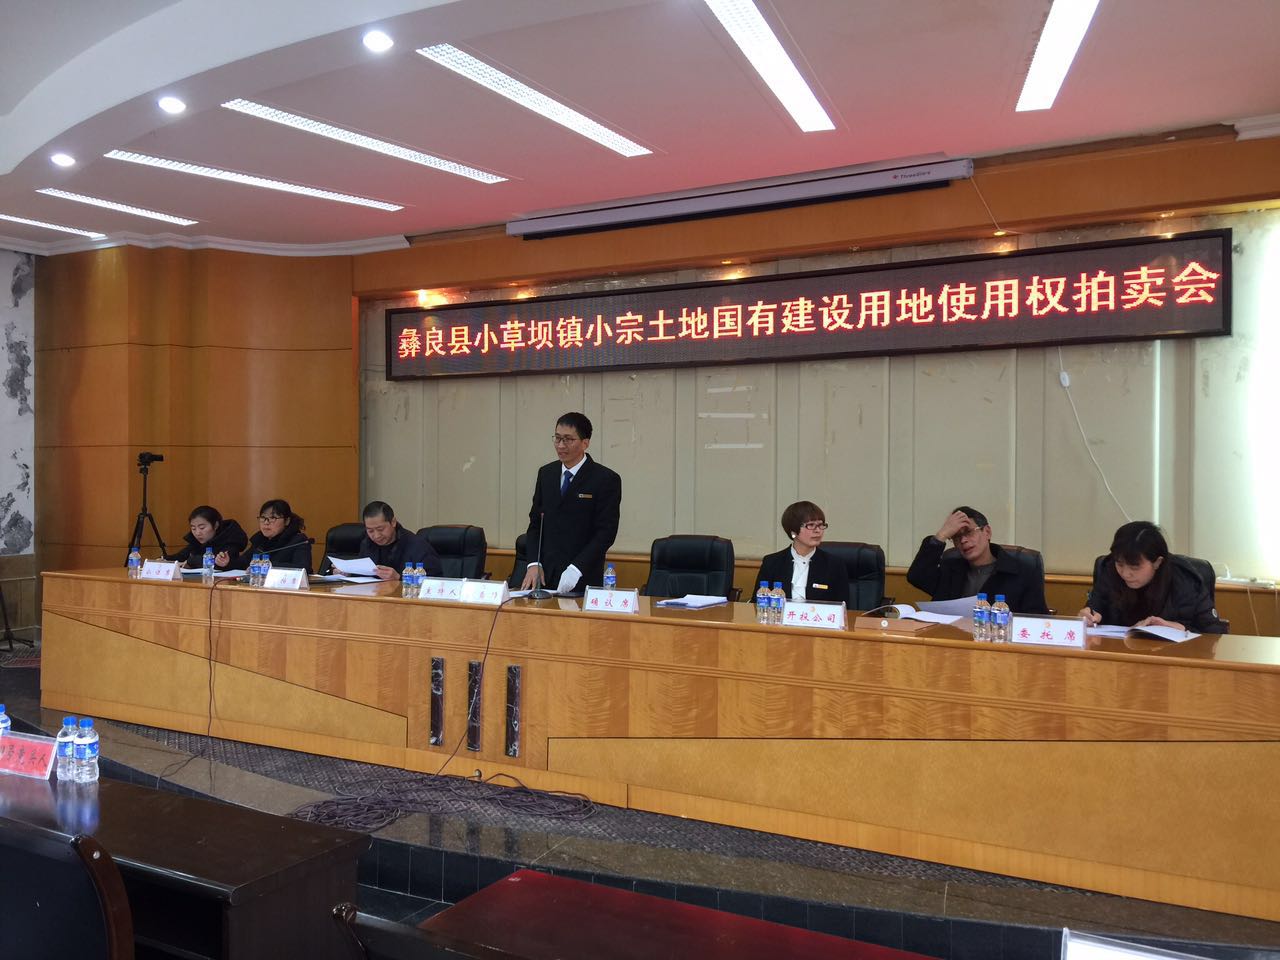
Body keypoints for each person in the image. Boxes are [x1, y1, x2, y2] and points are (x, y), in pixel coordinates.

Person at [519, 412, 622, 594]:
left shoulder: (605, 479)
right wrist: (534, 563)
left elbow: (606, 532)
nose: (561, 445)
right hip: (545, 577)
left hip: (582, 576)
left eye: (568, 440)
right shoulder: (546, 474)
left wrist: (576, 569)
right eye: (557, 438)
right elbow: (535, 524)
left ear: (585, 443)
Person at [1079, 521, 1227, 633]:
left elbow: (1215, 632)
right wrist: (1088, 617)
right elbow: (1094, 608)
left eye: (1134, 567)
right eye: (1120, 564)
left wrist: (1178, 628)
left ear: (1157, 562)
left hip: (1172, 659)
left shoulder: (1186, 580)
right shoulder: (1109, 570)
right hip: (1118, 656)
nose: (1125, 573)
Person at [907, 506, 1048, 613]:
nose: (963, 540)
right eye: (956, 537)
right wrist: (941, 535)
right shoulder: (950, 568)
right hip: (952, 639)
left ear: (987, 532)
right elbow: (917, 576)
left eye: (968, 532)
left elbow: (1036, 618)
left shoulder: (1022, 571)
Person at [752, 501, 850, 605]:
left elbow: (843, 607)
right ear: (793, 531)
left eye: (821, 525)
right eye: (811, 525)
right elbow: (757, 602)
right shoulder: (772, 562)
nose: (818, 530)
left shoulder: (835, 565)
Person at [217, 499, 312, 573]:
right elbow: (244, 563)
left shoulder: (298, 541)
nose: (266, 523)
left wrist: (270, 566)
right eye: (263, 518)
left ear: (286, 521)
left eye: (273, 518)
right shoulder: (260, 540)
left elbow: (304, 568)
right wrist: (228, 563)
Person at [358, 501, 442, 580]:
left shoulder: (417, 546)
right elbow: (360, 575)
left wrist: (399, 578)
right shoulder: (367, 544)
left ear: (393, 522)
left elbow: (434, 579)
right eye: (370, 531)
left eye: (380, 529)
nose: (376, 536)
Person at [166, 506, 248, 569]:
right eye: (193, 528)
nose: (197, 533)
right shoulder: (196, 542)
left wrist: (192, 561)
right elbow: (180, 556)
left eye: (202, 528)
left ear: (215, 525)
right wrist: (164, 559)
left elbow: (218, 563)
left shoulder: (230, 541)